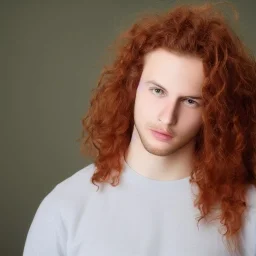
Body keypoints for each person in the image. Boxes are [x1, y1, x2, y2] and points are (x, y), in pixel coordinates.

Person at [23, 2, 256, 256]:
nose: (167, 117)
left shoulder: (248, 210)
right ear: (132, 85)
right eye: (157, 91)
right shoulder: (65, 207)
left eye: (190, 101)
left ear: (214, 110)